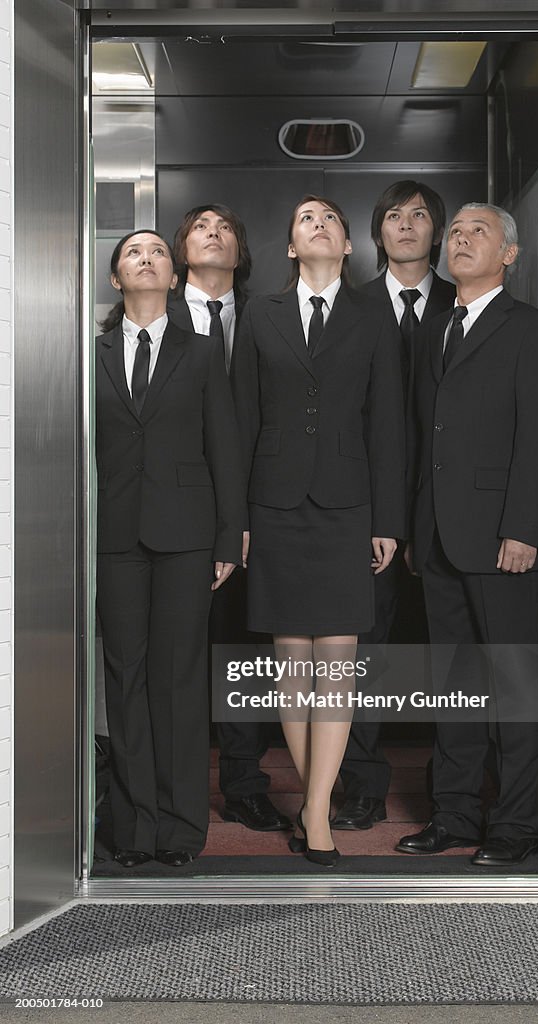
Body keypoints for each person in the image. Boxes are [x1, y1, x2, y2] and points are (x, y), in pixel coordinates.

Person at [231, 196, 405, 866]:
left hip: (346, 506)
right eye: (305, 219)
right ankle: (316, 800)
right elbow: (243, 419)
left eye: (330, 217)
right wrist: (238, 520)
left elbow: (387, 421)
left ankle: (315, 809)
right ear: (290, 248)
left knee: (335, 662)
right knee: (291, 665)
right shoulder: (260, 313)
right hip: (272, 504)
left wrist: (386, 519)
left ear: (348, 245)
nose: (320, 224)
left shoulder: (372, 314)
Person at [396, 203, 538, 867]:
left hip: (502, 542)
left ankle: (516, 827)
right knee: (454, 684)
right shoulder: (434, 329)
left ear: (510, 255)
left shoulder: (531, 330)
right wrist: (415, 527)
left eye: (479, 232)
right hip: (438, 539)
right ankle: (456, 814)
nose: (462, 240)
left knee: (516, 684)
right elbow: (423, 439)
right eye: (456, 232)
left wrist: (525, 528)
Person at [96, 229, 245, 868]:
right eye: (134, 252)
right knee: (125, 677)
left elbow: (226, 449)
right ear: (116, 278)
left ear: (174, 273)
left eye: (158, 251)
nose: (147, 258)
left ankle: (182, 826)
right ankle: (134, 825)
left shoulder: (203, 351)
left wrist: (228, 537)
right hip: (114, 536)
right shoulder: (92, 352)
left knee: (179, 679)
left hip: (188, 534)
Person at [333, 180, 455, 832]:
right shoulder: (349, 308)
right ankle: (361, 785)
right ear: (377, 231)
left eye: (419, 216)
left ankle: (454, 793)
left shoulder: (465, 301)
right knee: (365, 654)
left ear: (437, 230)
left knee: (451, 651)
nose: (406, 225)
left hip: (450, 509)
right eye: (394, 216)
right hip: (367, 511)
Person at [168, 204, 290, 835]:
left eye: (225, 230)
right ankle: (175, 792)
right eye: (200, 227)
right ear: (181, 249)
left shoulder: (270, 316)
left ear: (241, 253)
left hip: (264, 506)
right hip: (179, 512)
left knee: (245, 652)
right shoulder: (150, 316)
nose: (213, 235)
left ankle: (244, 783)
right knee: (181, 653)